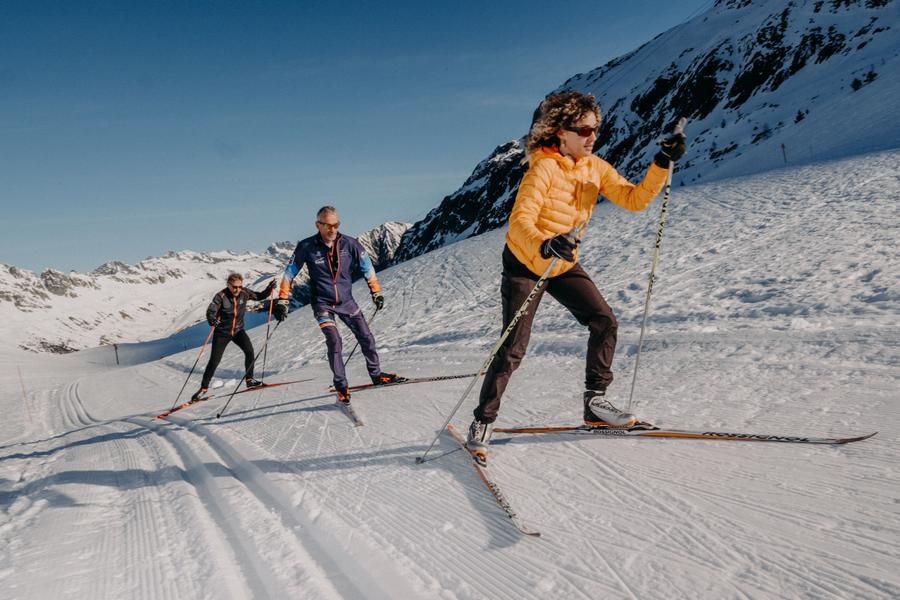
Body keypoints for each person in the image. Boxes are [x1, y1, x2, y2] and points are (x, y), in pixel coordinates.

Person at [466, 91, 687, 463]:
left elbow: (633, 200)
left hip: (563, 261)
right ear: (560, 132)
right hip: (526, 260)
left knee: (604, 321)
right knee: (513, 348)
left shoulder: (594, 167)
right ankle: (482, 421)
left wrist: (662, 162)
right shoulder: (543, 168)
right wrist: (543, 245)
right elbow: (520, 221)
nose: (592, 136)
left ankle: (595, 403)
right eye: (584, 129)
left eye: (596, 129)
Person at [273, 206, 402, 402]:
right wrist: (283, 300)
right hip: (322, 303)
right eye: (328, 225)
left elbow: (368, 268)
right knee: (334, 341)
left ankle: (376, 375)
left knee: (367, 337)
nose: (333, 229)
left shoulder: (350, 244)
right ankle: (341, 386)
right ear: (318, 225)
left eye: (336, 225)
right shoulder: (306, 246)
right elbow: (289, 273)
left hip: (347, 302)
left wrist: (376, 293)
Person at [191, 273, 276, 401]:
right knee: (214, 361)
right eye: (234, 287)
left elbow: (259, 296)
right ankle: (203, 388)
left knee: (249, 351)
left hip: (238, 331)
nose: (237, 289)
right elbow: (211, 311)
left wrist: (269, 289)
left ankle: (250, 380)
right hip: (222, 333)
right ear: (228, 285)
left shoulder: (244, 293)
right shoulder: (221, 296)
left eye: (240, 286)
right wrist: (212, 320)